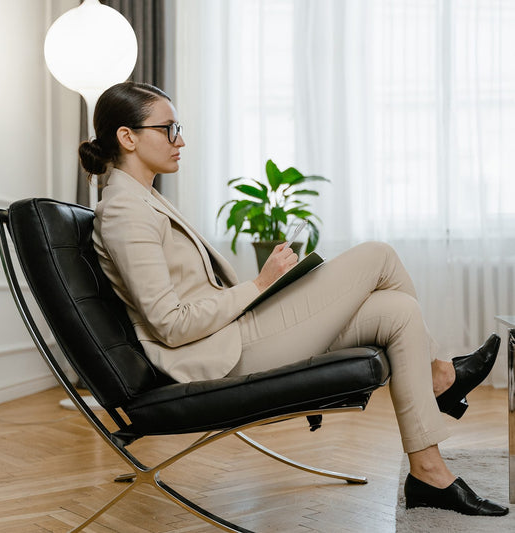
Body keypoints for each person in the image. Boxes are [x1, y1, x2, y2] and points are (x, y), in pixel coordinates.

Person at [78, 81, 508, 517]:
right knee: (379, 255)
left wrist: (269, 287)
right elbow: (170, 324)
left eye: (179, 128)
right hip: (221, 355)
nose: (181, 140)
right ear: (127, 137)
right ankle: (440, 378)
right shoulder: (124, 211)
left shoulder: (145, 200)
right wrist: (260, 286)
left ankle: (428, 473)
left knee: (399, 312)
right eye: (169, 129)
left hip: (234, 334)